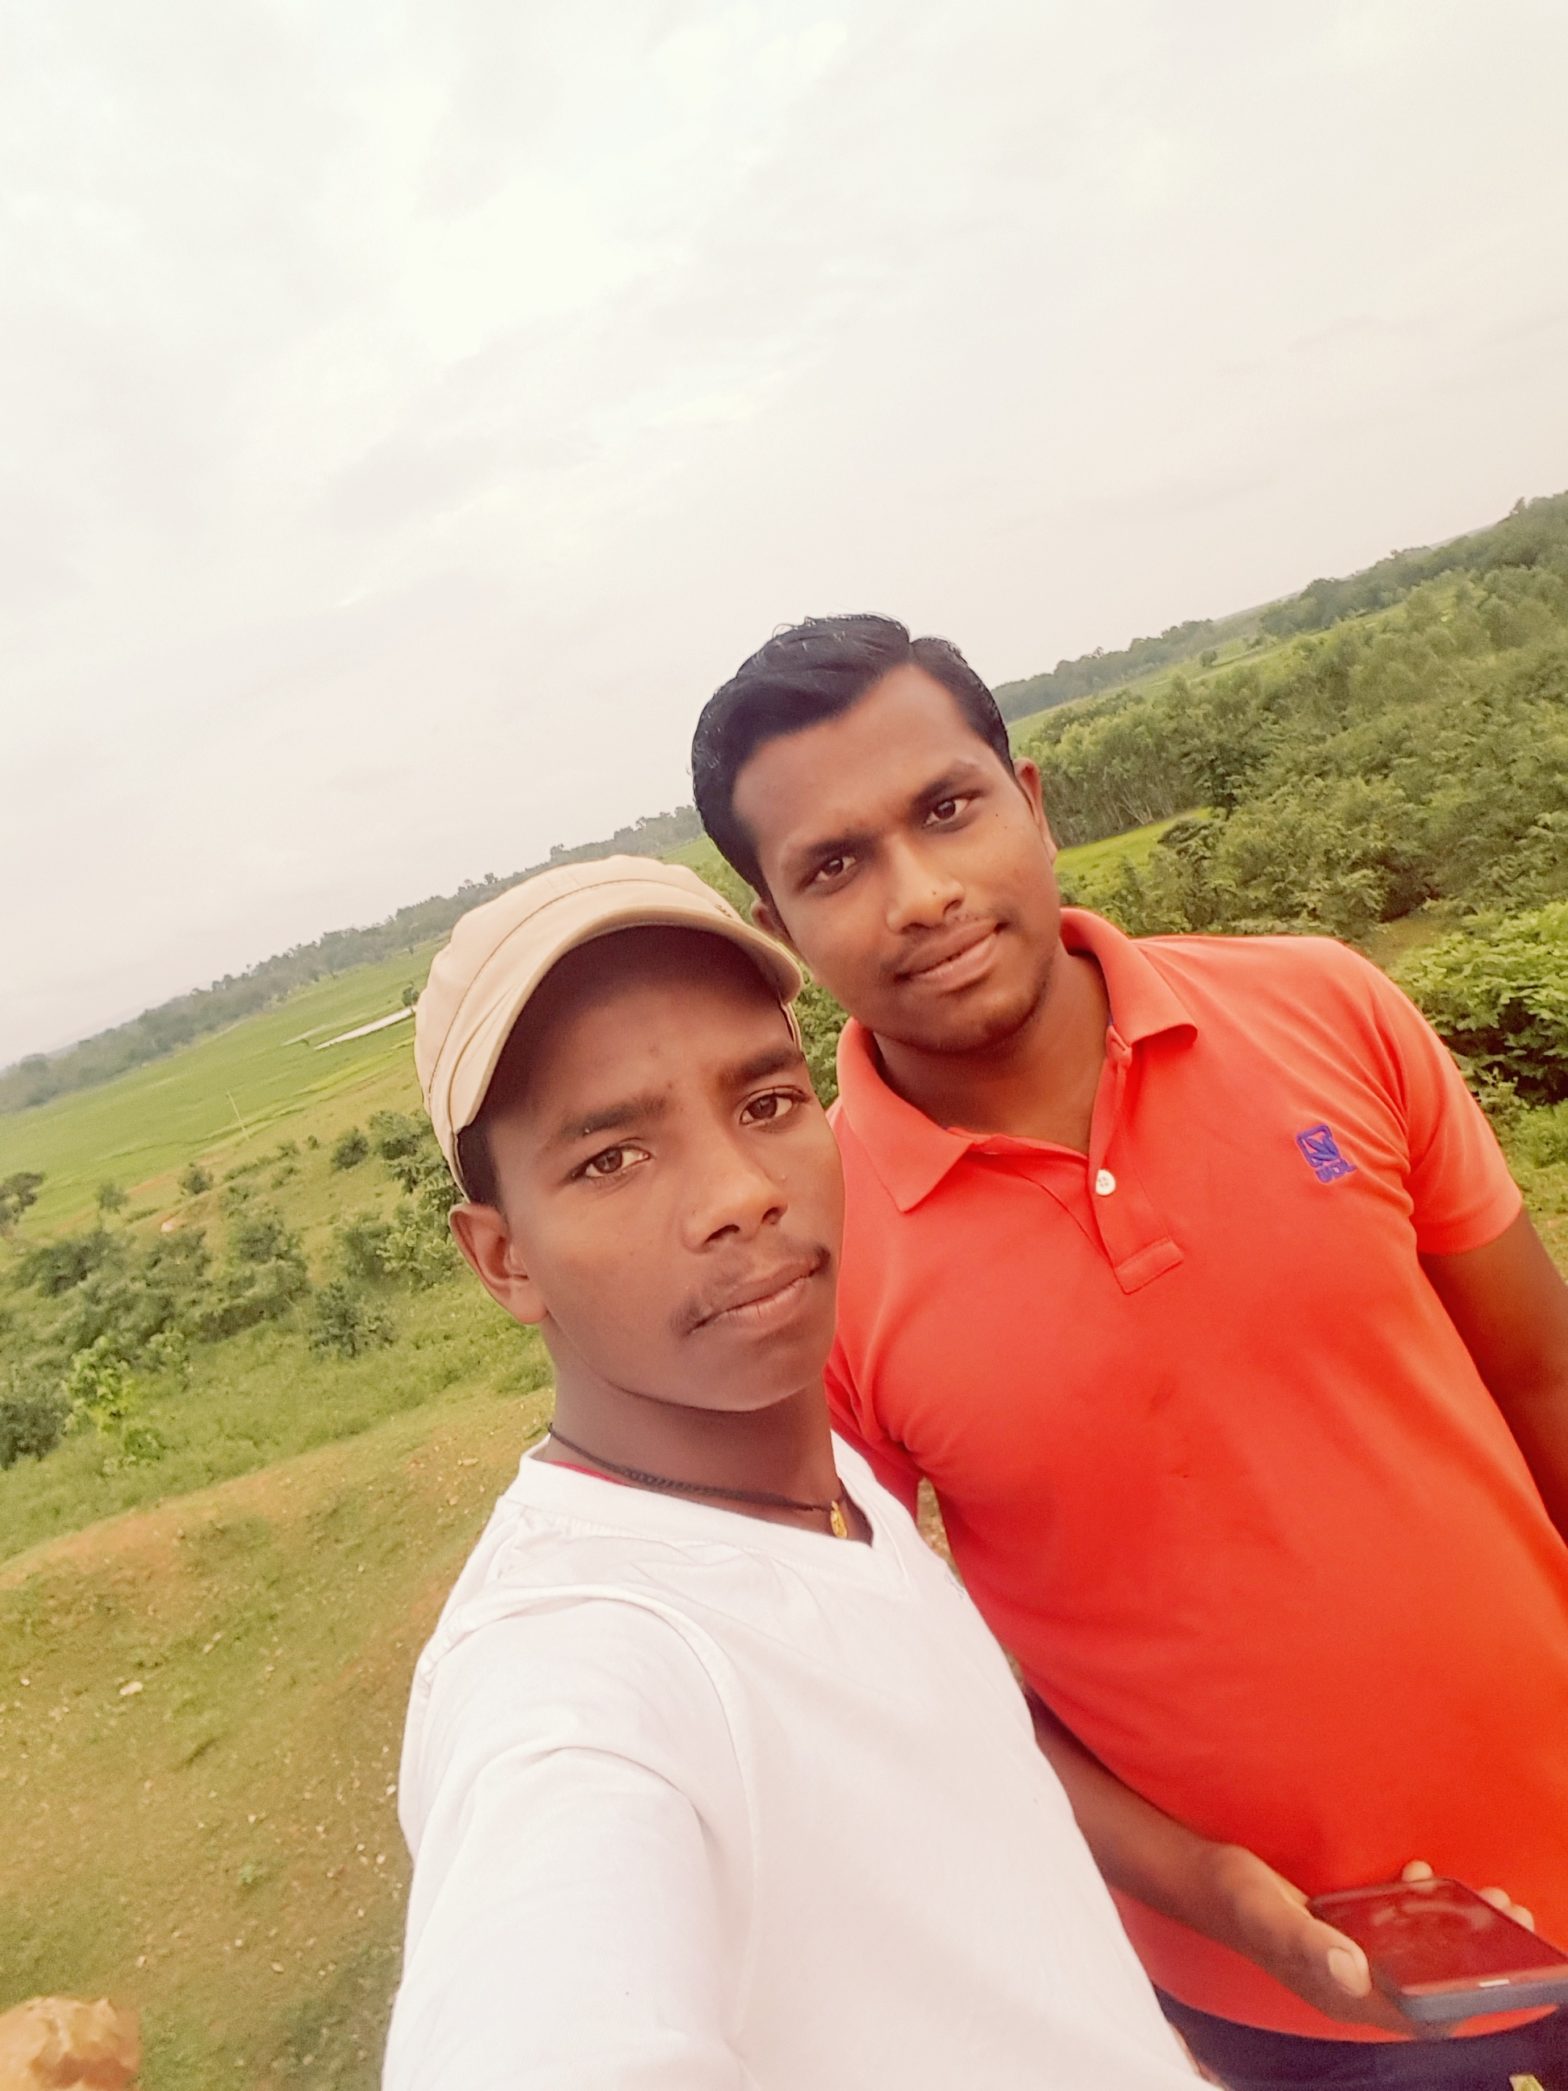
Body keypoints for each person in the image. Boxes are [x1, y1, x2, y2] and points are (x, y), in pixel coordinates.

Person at [690, 614, 1568, 2091]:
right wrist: (1205, 1890)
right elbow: (918, 1680)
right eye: (834, 866)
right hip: (1283, 1987)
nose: (921, 894)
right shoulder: (816, 1259)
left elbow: (1538, 1371)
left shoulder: (1324, 1007)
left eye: (947, 809)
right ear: (777, 928)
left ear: (1029, 800)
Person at [382, 855, 1197, 2089]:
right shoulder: (569, 1684)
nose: (741, 1193)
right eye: (610, 1159)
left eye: (765, 1102)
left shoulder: (823, 1487)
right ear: (503, 1260)